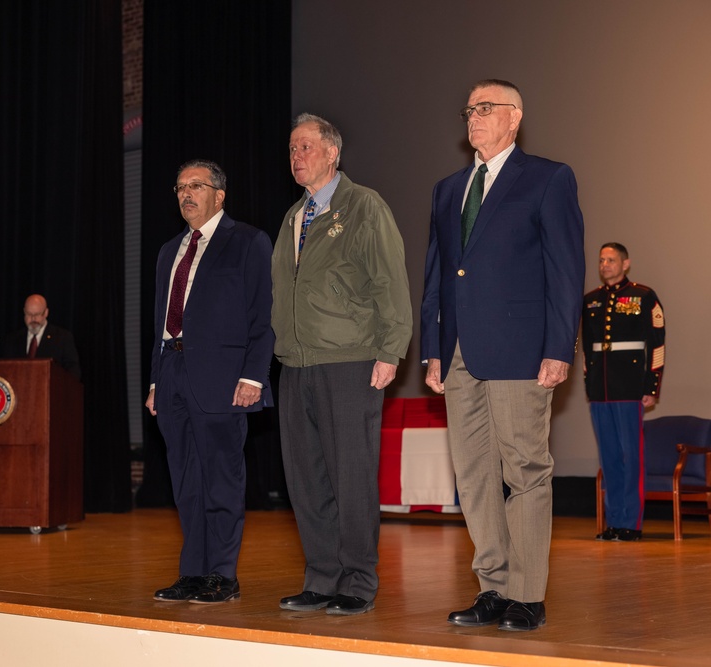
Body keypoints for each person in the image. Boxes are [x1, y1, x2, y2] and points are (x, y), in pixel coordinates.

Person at [420, 80, 585, 632]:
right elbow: (438, 276)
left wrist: (559, 348)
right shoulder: (448, 189)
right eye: (468, 109)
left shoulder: (547, 178)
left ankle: (526, 594)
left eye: (485, 108)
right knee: (473, 477)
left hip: (520, 350)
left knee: (526, 470)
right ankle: (492, 585)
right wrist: (434, 351)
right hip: (460, 352)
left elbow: (565, 272)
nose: (474, 117)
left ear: (514, 118)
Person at [271, 113, 412, 617]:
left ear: (333, 152)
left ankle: (358, 579)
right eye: (291, 149)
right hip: (297, 363)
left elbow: (389, 281)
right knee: (306, 479)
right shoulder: (292, 217)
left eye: (305, 146)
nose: (296, 156)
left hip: (350, 359)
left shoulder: (363, 205)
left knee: (350, 475)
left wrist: (390, 349)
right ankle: (321, 577)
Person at [145, 159, 274, 605]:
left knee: (221, 480)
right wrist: (156, 382)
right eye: (180, 186)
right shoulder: (169, 251)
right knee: (185, 482)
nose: (186, 194)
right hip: (173, 375)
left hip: (223, 380)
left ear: (219, 195)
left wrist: (254, 375)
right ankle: (193, 573)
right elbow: (161, 324)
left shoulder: (248, 242)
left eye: (196, 185)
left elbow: (263, 316)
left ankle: (222, 575)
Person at [583, 243, 665, 542]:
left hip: (630, 387)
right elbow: (588, 350)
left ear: (625, 263)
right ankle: (614, 522)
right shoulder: (591, 300)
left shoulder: (643, 296)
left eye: (611, 260)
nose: (605, 264)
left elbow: (656, 345)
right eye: (601, 259)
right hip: (600, 390)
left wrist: (651, 386)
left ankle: (631, 523)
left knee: (632, 458)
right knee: (609, 459)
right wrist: (588, 384)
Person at [0, 294, 81, 380]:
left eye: (37, 314)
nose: (33, 319)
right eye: (29, 314)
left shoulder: (62, 338)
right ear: (24, 312)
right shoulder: (12, 339)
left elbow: (73, 373)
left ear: (46, 313)